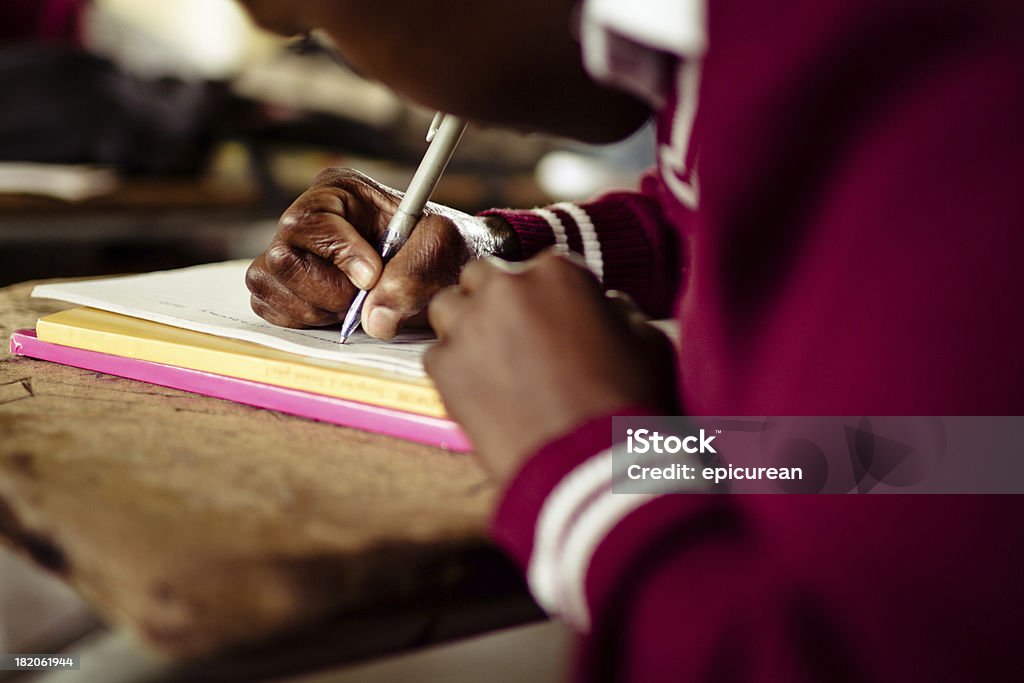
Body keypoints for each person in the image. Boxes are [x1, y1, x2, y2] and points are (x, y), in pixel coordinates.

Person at [240, 1, 1024, 680]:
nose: (380, 81)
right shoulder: (738, 59)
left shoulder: (965, 110)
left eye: (319, 30)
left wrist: (591, 466)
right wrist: (486, 256)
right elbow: (722, 221)